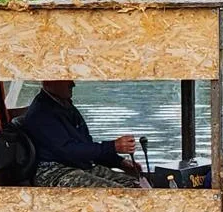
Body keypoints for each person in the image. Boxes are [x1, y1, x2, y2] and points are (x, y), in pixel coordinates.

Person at [14, 80, 147, 188]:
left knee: (133, 184)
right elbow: (68, 150)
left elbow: (85, 146)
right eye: (67, 80)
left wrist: (120, 162)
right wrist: (113, 146)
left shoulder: (65, 106)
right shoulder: (41, 113)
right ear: (49, 81)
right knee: (118, 193)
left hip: (78, 165)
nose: (73, 84)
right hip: (54, 172)